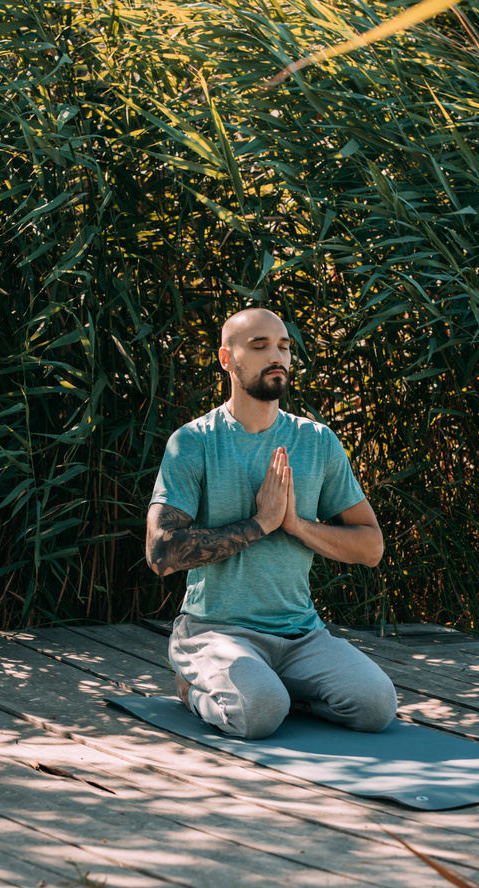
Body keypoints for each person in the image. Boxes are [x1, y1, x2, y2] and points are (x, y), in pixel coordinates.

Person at [145, 307, 398, 740]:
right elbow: (161, 553)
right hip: (217, 631)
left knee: (376, 706)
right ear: (227, 359)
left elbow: (371, 548)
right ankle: (191, 688)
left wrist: (297, 525)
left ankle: (283, 689)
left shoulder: (317, 442)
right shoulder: (193, 442)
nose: (276, 355)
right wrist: (260, 523)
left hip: (302, 635)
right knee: (259, 713)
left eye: (283, 345)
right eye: (259, 346)